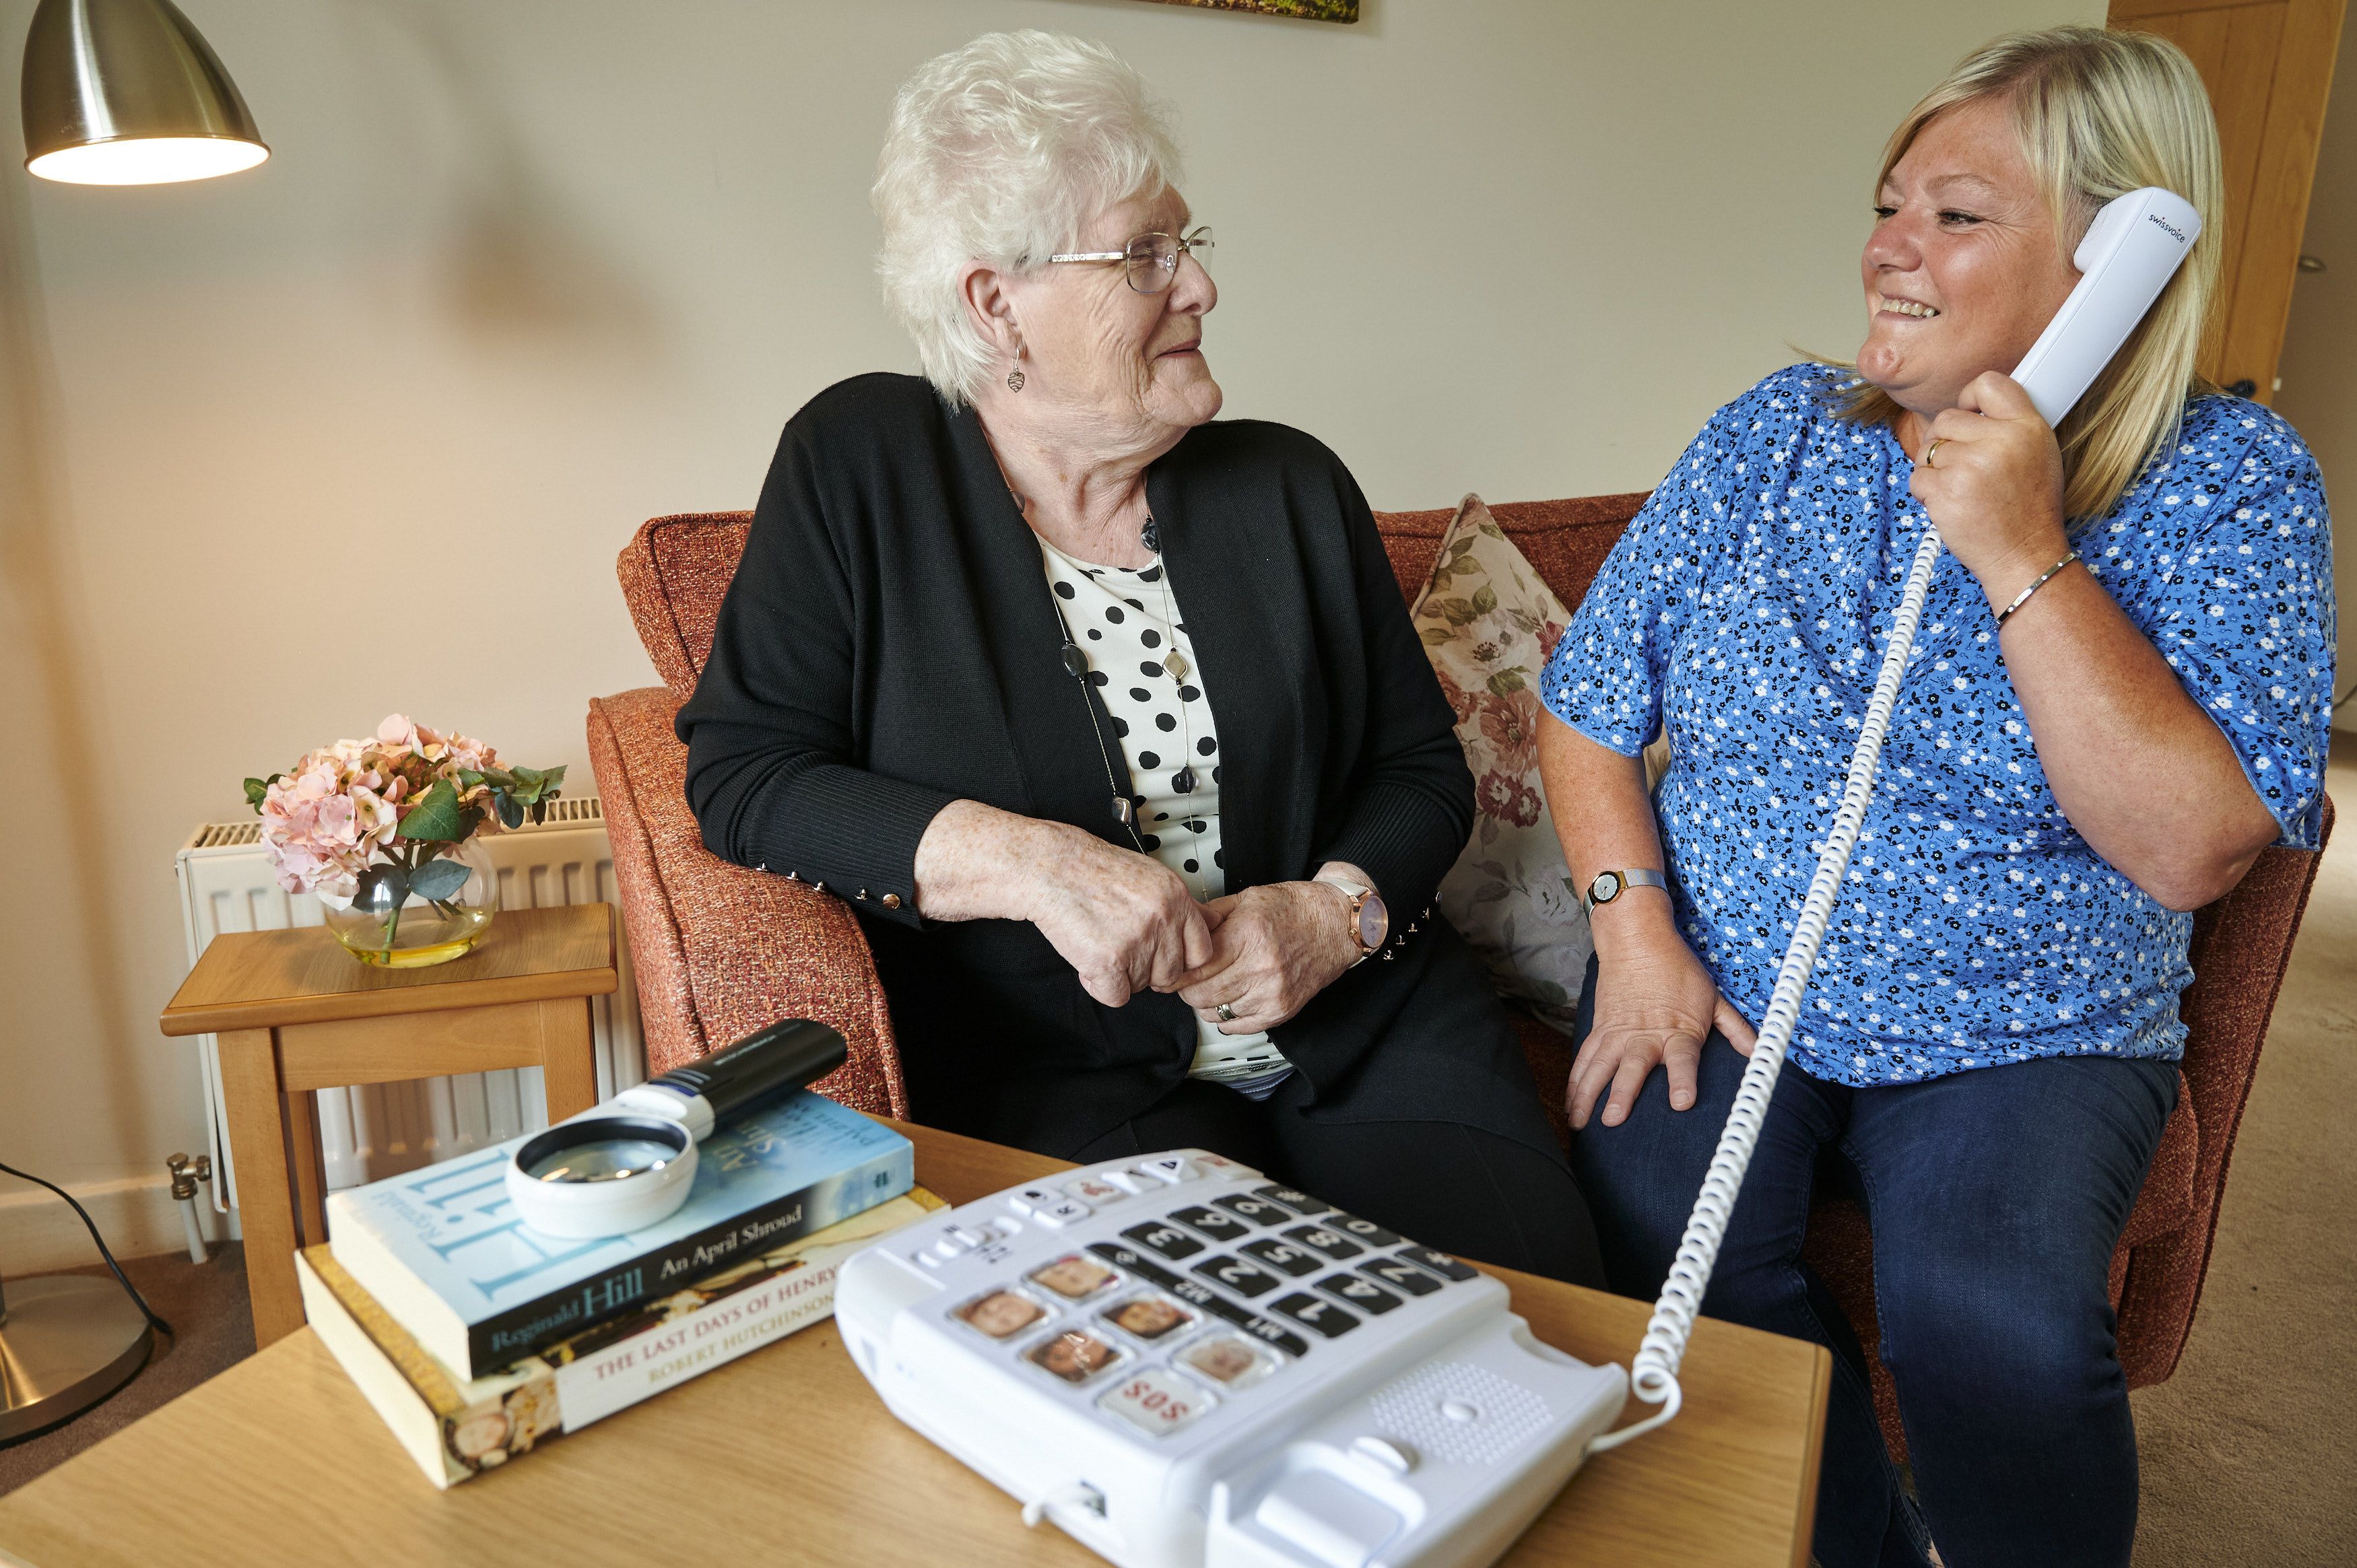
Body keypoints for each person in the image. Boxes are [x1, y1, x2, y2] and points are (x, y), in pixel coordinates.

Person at [1536, 26, 2333, 1568]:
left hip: (2022, 1031)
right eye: (1887, 202)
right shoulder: (1778, 432)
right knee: (1655, 1238)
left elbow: (2190, 847)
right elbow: (1583, 712)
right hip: (1727, 982)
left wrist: (2021, 547)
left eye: (1954, 217)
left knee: (1997, 1324)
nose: (1886, 252)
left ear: (2124, 260)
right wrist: (1634, 935)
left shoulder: (2232, 483)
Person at [678, 30, 1602, 1286]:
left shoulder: (1288, 484)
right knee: (1206, 1359)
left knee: (1520, 1308)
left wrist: (1336, 913)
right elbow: (747, 776)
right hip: (1068, 1070)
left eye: (1190, 245)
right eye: (1143, 255)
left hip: (1370, 1024)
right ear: (994, 302)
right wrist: (1035, 863)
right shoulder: (861, 466)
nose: (1201, 288)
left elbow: (1418, 768)